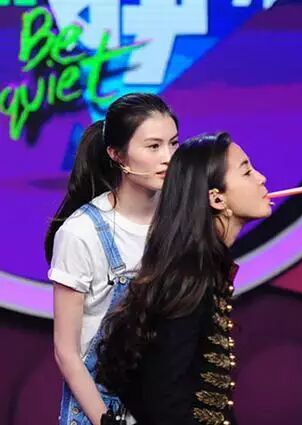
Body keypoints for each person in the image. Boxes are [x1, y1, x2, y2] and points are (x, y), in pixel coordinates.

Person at [96, 132, 271, 425]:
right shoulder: (189, 278)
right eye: (247, 171)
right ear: (216, 198)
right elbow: (166, 401)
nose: (262, 178)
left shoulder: (201, 270)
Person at [47, 93, 179, 425]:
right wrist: (106, 420)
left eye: (174, 144)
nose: (168, 157)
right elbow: (66, 352)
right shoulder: (81, 233)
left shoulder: (181, 221)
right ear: (116, 154)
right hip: (104, 411)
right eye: (153, 146)